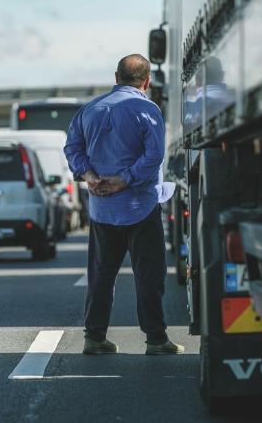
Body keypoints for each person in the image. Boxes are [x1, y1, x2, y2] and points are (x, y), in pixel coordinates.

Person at [64, 53, 184, 355]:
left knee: (102, 274)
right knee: (149, 275)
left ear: (116, 78)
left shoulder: (89, 109)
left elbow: (72, 148)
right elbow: (154, 155)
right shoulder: (147, 109)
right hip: (139, 206)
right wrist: (124, 180)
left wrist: (89, 175)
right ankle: (156, 340)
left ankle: (94, 337)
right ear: (147, 81)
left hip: (102, 208)